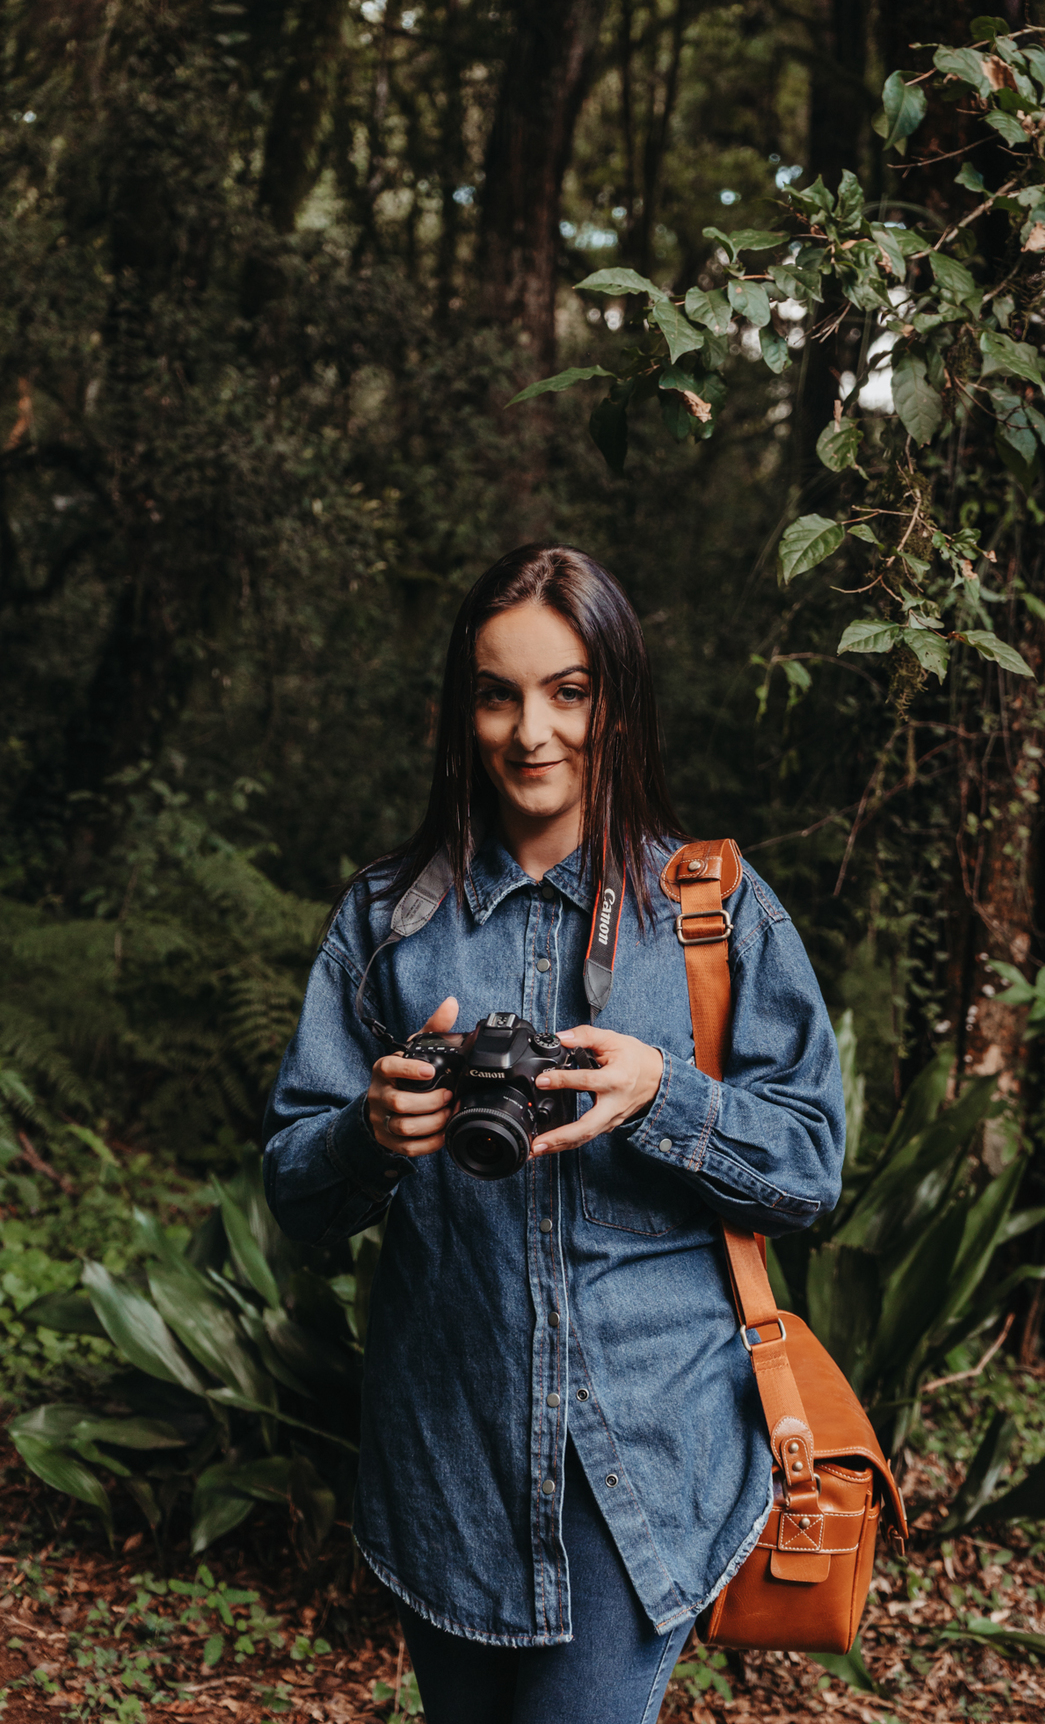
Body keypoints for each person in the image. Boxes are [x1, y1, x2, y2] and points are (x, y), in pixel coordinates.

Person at [263, 545, 845, 1724]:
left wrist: (667, 1095)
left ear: (614, 704)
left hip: (650, 1453)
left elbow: (811, 1169)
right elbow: (292, 1192)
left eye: (567, 691)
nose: (532, 731)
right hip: (450, 1459)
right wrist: (371, 1132)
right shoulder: (387, 925)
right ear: (462, 708)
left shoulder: (711, 912)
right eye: (497, 692)